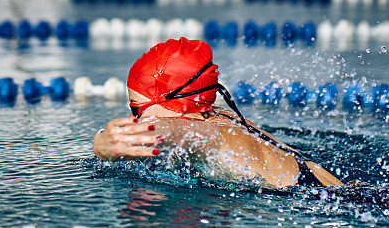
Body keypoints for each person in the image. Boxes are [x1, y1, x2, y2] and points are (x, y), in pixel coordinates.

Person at [92, 37, 343, 188]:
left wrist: (104, 143)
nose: (135, 117)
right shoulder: (223, 118)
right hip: (336, 190)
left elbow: (169, 129)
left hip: (340, 204)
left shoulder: (208, 133)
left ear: (172, 103)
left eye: (136, 108)